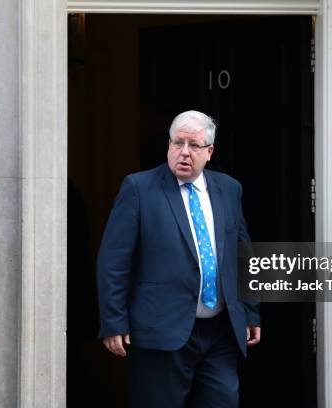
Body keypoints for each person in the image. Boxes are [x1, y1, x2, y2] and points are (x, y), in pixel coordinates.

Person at [97, 110, 261, 408]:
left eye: (194, 145)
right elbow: (114, 261)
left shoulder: (228, 188)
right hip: (161, 329)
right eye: (177, 143)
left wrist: (250, 311)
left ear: (209, 151)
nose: (184, 152)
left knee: (223, 400)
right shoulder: (139, 188)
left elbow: (242, 252)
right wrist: (113, 321)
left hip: (220, 330)